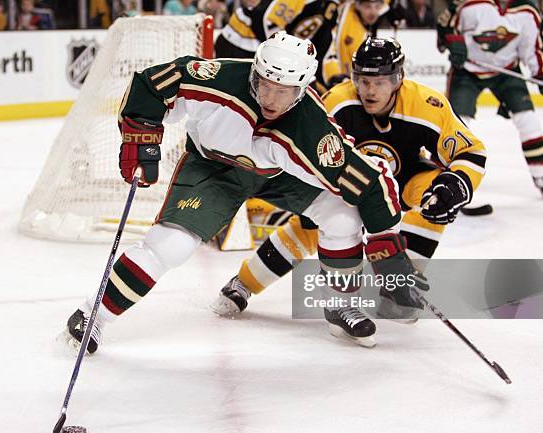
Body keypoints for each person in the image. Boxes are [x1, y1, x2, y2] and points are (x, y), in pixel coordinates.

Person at [61, 32, 417, 352]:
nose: (271, 98)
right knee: (171, 245)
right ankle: (93, 315)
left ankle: (340, 303)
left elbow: (369, 178)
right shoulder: (219, 79)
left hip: (277, 175)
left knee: (342, 217)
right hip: (214, 169)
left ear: (303, 88)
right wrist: (141, 136)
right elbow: (153, 84)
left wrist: (387, 243)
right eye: (264, 84)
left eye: (284, 90)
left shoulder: (311, 127)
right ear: (254, 73)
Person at [211, 37, 487, 330]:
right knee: (313, 225)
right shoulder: (337, 102)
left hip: (403, 182)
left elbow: (470, 152)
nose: (369, 90)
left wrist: (456, 184)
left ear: (398, 78)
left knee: (437, 199)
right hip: (341, 185)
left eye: (379, 82)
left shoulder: (427, 106)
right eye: (363, 80)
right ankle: (244, 283)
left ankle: (399, 287)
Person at [437, 0, 543, 195]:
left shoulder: (528, 11)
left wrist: (540, 72)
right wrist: (452, 41)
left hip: (506, 70)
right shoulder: (469, 5)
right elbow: (446, 28)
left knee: (529, 121)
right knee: (458, 125)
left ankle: (541, 174)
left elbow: (532, 50)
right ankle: (449, 180)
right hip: (468, 70)